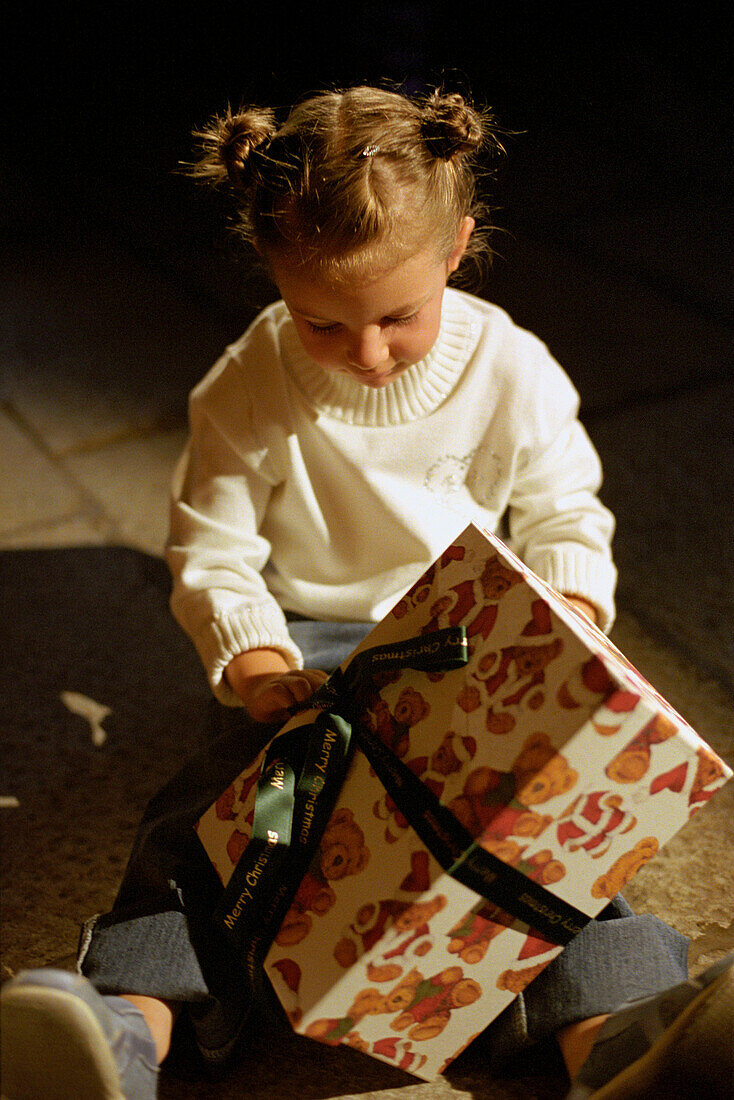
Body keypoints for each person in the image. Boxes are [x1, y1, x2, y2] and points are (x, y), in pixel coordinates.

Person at [1, 85, 731, 1100]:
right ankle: (127, 1026)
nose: (368, 352)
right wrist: (252, 652)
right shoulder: (249, 378)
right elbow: (208, 542)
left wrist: (565, 611)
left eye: (398, 315)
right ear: (273, 279)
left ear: (458, 247)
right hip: (314, 657)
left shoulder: (511, 370)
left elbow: (565, 508)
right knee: (208, 823)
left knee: (550, 849)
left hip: (473, 653)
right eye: (323, 323)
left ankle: (617, 1041)